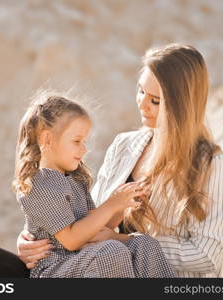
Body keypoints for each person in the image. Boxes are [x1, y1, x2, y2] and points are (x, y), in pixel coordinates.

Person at [0, 43, 223, 278]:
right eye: (140, 90)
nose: (142, 103)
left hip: (146, 273)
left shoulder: (212, 165)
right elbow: (81, 220)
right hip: (87, 268)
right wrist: (35, 239)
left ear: (183, 106)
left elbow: (206, 255)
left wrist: (124, 241)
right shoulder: (126, 145)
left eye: (156, 100)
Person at [13, 93, 174, 278]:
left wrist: (123, 205)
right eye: (76, 141)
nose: (84, 149)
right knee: (111, 252)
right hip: (56, 268)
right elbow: (72, 240)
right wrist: (112, 204)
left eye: (84, 141)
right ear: (47, 139)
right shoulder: (40, 185)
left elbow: (95, 228)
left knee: (145, 244)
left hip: (84, 257)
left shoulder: (75, 179)